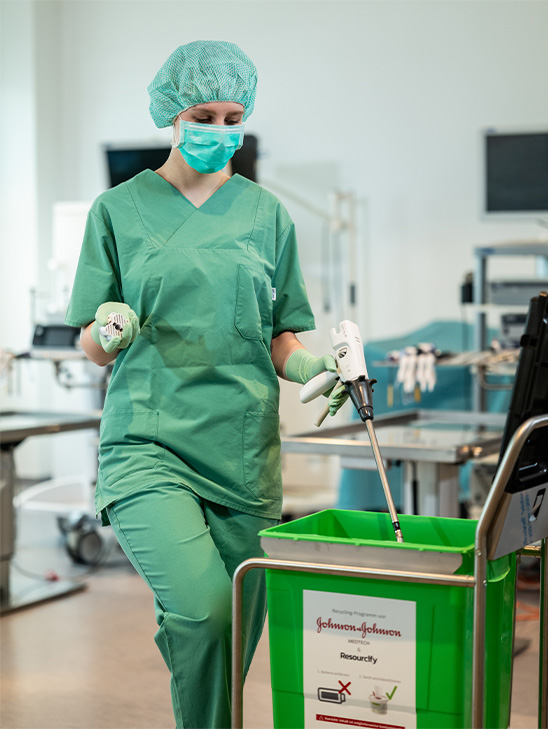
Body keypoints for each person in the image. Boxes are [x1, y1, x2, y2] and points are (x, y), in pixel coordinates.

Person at [65, 40, 346, 729]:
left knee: (226, 639)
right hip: (149, 445)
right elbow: (89, 341)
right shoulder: (118, 211)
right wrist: (109, 327)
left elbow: (283, 332)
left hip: (243, 453)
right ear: (170, 113)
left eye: (231, 116)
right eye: (202, 113)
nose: (218, 130)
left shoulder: (266, 214)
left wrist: (310, 367)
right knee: (204, 608)